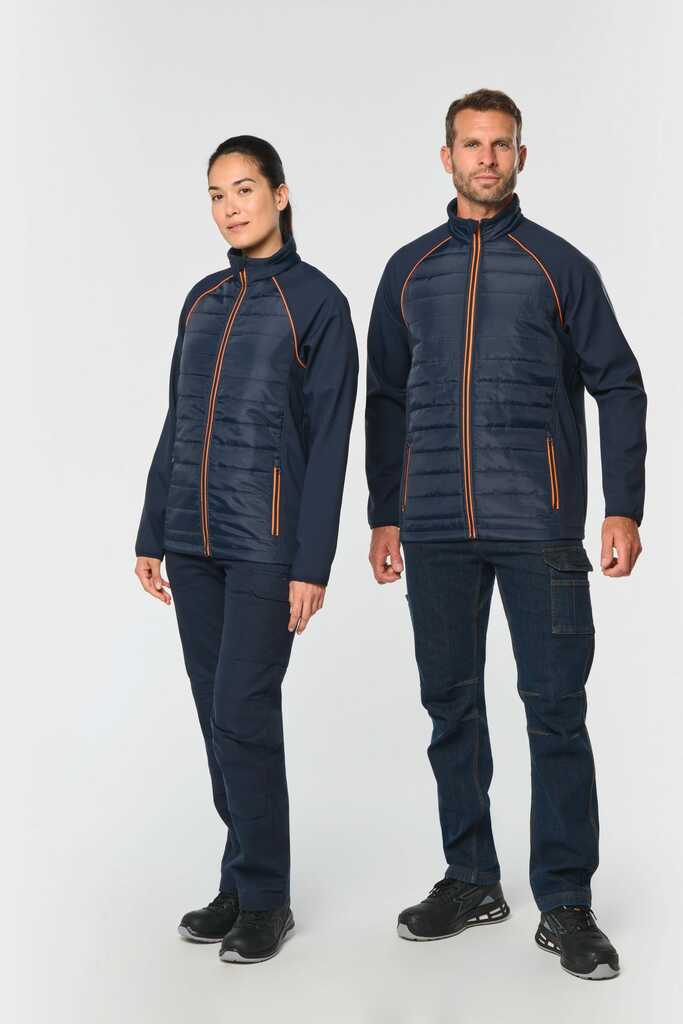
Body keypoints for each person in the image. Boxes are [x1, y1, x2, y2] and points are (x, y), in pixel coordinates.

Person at [365, 89, 646, 981]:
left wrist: (622, 505)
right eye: (471, 144)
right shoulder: (408, 271)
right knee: (449, 706)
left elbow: (618, 382)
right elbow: (384, 399)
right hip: (433, 530)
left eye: (500, 144)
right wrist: (383, 513)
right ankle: (470, 879)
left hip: (540, 527)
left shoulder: (559, 265)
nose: (485, 158)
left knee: (554, 710)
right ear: (445, 156)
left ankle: (564, 901)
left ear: (521, 156)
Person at [134, 135, 358, 963]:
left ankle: (266, 899)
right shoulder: (202, 299)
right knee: (215, 719)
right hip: (191, 544)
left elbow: (329, 442)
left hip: (265, 546)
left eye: (244, 190)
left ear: (280, 195)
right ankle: (239, 878)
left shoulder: (318, 303)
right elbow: (178, 416)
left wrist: (311, 563)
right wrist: (152, 528)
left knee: (242, 713)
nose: (230, 208)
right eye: (216, 195)